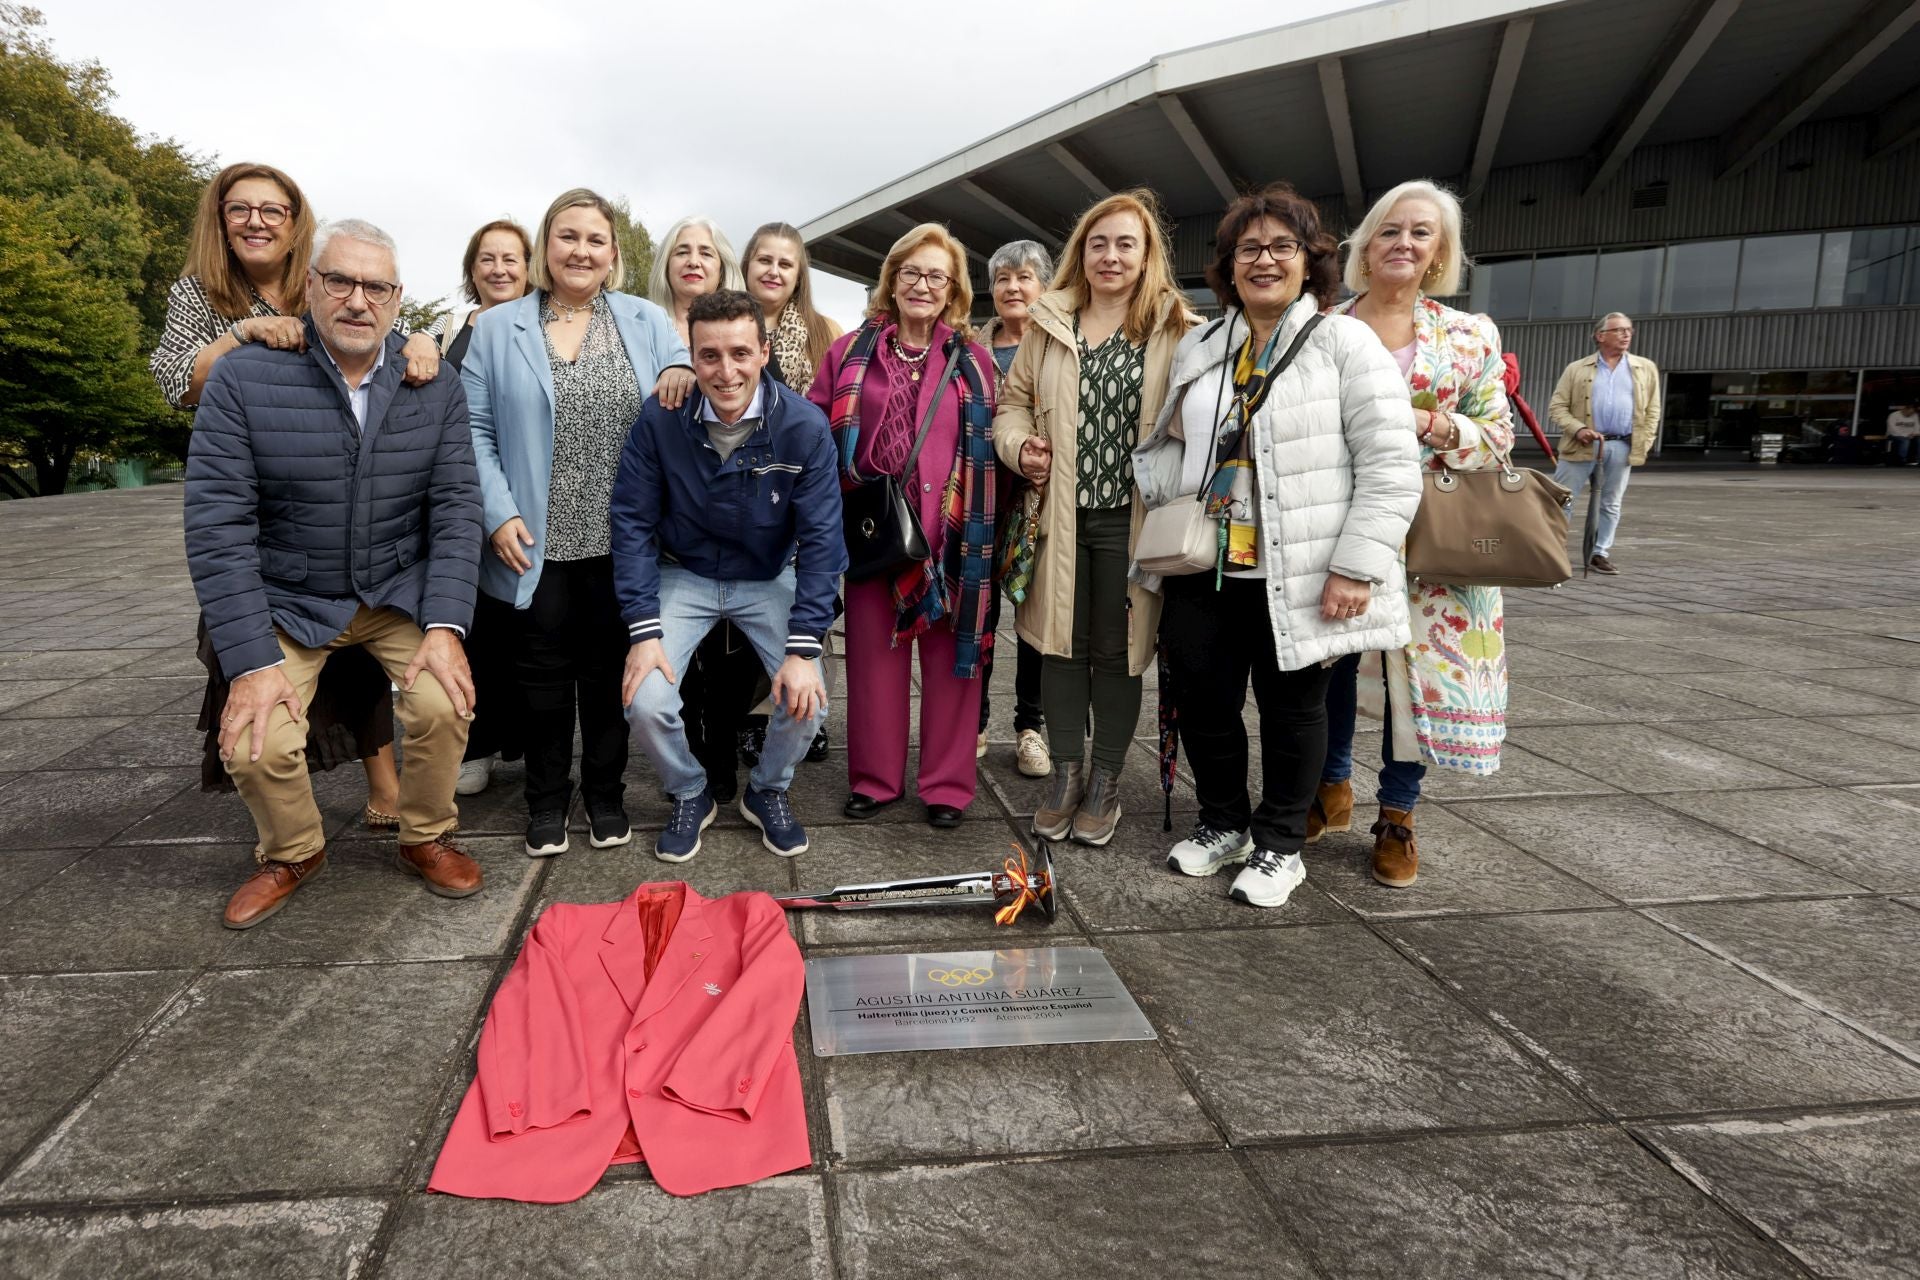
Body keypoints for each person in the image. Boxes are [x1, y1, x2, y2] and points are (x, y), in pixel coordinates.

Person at [183, 217, 484, 929]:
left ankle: (426, 835)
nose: (357, 299)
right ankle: (293, 850)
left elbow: (456, 509)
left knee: (447, 701)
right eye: (340, 280)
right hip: (291, 596)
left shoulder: (431, 383)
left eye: (375, 286)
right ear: (310, 286)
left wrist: (444, 625)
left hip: (393, 590)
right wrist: (250, 660)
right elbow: (216, 525)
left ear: (397, 297)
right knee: (256, 741)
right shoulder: (246, 377)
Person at [1134, 184, 1420, 908]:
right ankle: (1224, 822)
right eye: (1248, 249)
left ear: (1309, 261)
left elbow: (1390, 467)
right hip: (1205, 563)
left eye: (1281, 247)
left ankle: (1282, 843)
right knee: (1205, 701)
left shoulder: (1343, 341)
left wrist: (1358, 566)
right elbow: (1178, 443)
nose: (1264, 260)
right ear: (1228, 266)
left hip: (1304, 563)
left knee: (1294, 710)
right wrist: (1156, 490)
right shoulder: (1204, 342)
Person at [149, 162, 439, 833]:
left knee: (363, 638)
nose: (255, 221)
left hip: (340, 490)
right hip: (258, 488)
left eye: (272, 210)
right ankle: (280, 814)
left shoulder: (330, 277)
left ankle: (384, 781)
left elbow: (379, 339)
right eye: (240, 209)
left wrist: (421, 340)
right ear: (219, 219)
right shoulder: (201, 295)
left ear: (294, 223)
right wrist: (239, 336)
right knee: (246, 648)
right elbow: (174, 381)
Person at [463, 188, 694, 858]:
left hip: (623, 538)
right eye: (568, 237)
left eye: (595, 240)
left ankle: (604, 794)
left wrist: (679, 368)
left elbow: (681, 367)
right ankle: (543, 799)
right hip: (532, 537)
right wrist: (497, 511)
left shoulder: (644, 321)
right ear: (545, 246)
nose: (581, 251)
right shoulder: (498, 329)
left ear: (613, 253)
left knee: (606, 674)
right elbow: (473, 431)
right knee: (538, 675)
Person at [1317, 179, 1517, 889]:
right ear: (1366, 246)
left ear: (1440, 253)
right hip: (1337, 524)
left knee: (1415, 682)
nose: (1404, 242)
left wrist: (1433, 424)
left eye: (1421, 233)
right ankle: (1331, 786)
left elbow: (1499, 437)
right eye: (1390, 230)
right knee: (1331, 660)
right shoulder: (1323, 326)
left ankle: (1397, 813)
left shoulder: (1468, 335)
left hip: (1435, 533)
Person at [993, 190, 1199, 846]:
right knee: (1057, 646)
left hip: (1134, 522)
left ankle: (1105, 780)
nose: (1110, 256)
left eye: (1125, 244)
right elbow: (1012, 403)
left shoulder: (1178, 326)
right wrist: (1018, 445)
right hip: (1058, 513)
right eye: (1098, 243)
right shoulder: (1050, 321)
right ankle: (1065, 774)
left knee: (1119, 654)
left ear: (1147, 256)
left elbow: (1208, 425)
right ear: (1082, 251)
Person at [614, 289, 843, 861]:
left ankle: (767, 790)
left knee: (808, 697)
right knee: (644, 699)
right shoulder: (660, 419)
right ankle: (689, 790)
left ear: (764, 352)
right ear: (691, 357)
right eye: (709, 355)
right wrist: (642, 631)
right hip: (684, 573)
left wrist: (803, 645)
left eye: (741, 352)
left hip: (766, 576)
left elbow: (822, 541)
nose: (726, 370)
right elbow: (632, 523)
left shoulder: (804, 427)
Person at [809, 224, 1001, 828]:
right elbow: (814, 426)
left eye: (936, 276)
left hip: (952, 539)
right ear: (891, 279)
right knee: (871, 663)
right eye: (911, 272)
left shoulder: (973, 360)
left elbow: (996, 442)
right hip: (875, 533)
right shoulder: (847, 353)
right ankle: (875, 778)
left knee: (952, 666)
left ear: (953, 290)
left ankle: (947, 787)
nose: (922, 284)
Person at [429, 220, 535, 798]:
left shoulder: (548, 327)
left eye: (510, 258)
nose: (499, 269)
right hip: (463, 496)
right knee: (478, 626)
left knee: (530, 629)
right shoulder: (449, 331)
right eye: (487, 259)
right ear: (472, 269)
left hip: (531, 493)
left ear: (528, 266)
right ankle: (478, 744)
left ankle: (526, 740)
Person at [976, 240, 1053, 779]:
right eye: (1003, 278)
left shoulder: (1055, 344)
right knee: (978, 617)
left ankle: (1030, 727)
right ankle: (973, 722)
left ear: (1044, 286)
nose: (1013, 288)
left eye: (1025, 277)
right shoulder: (971, 348)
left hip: (1040, 504)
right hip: (980, 501)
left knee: (1035, 620)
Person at [1548, 312, 1661, 575]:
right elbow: (1557, 407)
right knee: (1563, 499)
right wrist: (1578, 429)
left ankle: (1600, 552)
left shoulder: (1644, 368)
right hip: (1580, 445)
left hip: (1622, 446)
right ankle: (1554, 552)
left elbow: (1653, 409)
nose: (1626, 334)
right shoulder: (1577, 369)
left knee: (1610, 503)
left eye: (1629, 330)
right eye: (1619, 330)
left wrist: (1647, 438)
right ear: (1600, 336)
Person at [744, 221, 844, 390]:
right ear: (747, 266)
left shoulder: (827, 331)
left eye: (785, 265)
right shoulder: (718, 324)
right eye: (764, 260)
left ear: (798, 276)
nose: (773, 272)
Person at [648, 216, 746, 349]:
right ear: (666, 266)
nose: (693, 262)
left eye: (706, 254)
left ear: (722, 270)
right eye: (682, 252)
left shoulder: (748, 329)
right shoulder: (644, 326)